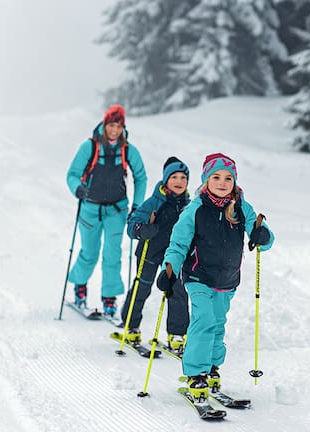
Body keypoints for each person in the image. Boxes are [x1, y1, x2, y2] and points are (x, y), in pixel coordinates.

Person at [156, 152, 274, 399]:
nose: (222, 182)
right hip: (198, 277)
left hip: (227, 280)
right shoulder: (195, 209)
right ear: (206, 180)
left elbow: (262, 234)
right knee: (203, 320)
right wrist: (169, 269)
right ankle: (195, 374)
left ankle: (211, 367)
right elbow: (178, 245)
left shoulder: (241, 206)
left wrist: (263, 236)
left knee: (218, 324)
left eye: (228, 178)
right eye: (216, 177)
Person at [66, 104, 147, 317]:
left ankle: (109, 298)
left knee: (112, 254)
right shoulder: (90, 147)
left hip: (116, 210)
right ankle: (80, 286)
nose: (114, 130)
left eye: (118, 126)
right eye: (111, 125)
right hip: (90, 209)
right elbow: (72, 174)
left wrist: (137, 206)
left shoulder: (127, 149)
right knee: (89, 252)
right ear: (105, 125)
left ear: (123, 127)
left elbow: (141, 176)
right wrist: (78, 189)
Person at [120, 157, 191, 351]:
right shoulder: (154, 202)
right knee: (142, 287)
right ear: (166, 180)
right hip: (149, 251)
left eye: (183, 177)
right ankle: (130, 326)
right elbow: (132, 224)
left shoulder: (188, 206)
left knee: (177, 290)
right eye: (174, 177)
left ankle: (177, 334)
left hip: (174, 256)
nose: (179, 181)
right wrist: (141, 229)